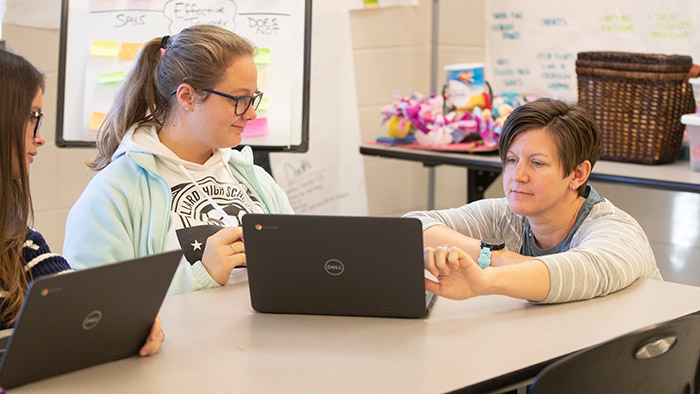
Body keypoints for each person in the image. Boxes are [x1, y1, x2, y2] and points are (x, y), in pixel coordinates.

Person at [63, 25, 293, 295]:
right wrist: (200, 276)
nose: (251, 113)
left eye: (253, 98)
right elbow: (93, 305)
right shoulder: (114, 192)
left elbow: (297, 266)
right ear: (187, 97)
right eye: (240, 99)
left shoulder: (255, 180)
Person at [405, 98, 661, 303]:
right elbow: (411, 228)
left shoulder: (615, 230)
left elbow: (576, 272)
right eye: (512, 160)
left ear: (578, 174)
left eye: (537, 163)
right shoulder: (506, 213)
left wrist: (485, 280)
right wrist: (496, 258)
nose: (518, 176)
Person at [0, 49, 163, 355]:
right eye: (33, 117)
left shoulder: (21, 243)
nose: (40, 138)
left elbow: (77, 302)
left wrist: (126, 320)